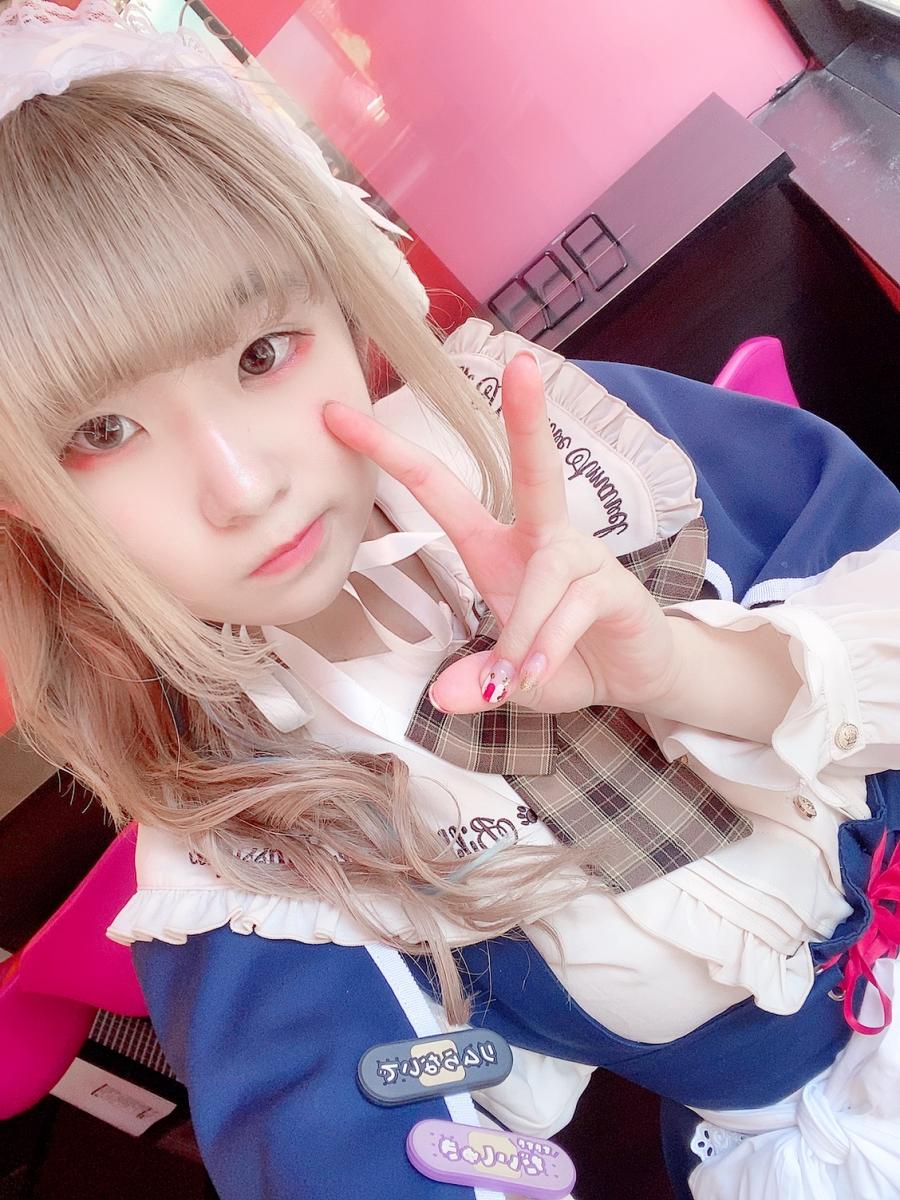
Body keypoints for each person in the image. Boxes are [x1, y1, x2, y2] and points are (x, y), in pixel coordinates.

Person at [1, 4, 898, 1199]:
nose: (245, 486)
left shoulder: (566, 445)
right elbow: (362, 1136)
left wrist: (685, 668)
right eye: (103, 432)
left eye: (264, 354)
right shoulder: (239, 838)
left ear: (343, 299)